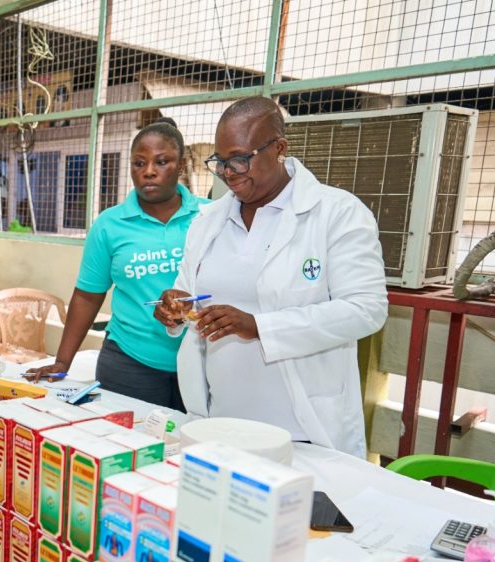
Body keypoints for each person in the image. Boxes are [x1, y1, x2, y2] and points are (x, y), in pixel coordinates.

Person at [154, 97, 388, 457]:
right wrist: (176, 308)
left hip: (304, 431)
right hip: (222, 422)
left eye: (241, 159)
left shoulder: (337, 213)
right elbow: (189, 296)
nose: (229, 172)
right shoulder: (208, 221)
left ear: (279, 148)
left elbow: (366, 309)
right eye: (220, 162)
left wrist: (260, 326)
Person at [26, 118, 205, 409]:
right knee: (127, 448)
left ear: (181, 165)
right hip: (129, 364)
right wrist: (62, 361)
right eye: (138, 163)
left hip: (202, 363)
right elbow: (87, 295)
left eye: (161, 162)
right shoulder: (110, 225)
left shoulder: (210, 217)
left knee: (192, 450)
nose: (148, 172)